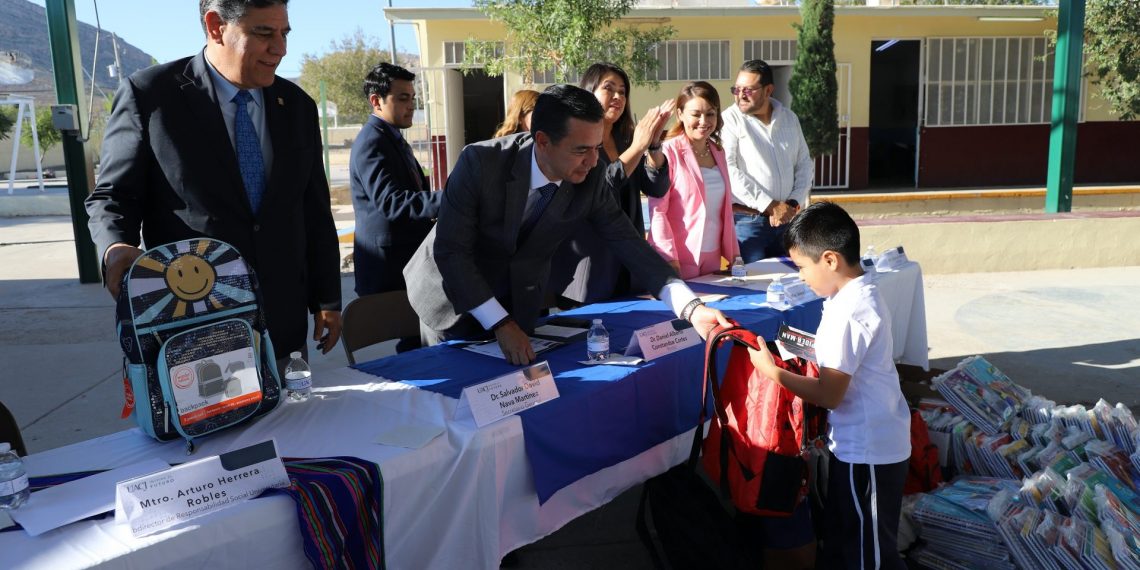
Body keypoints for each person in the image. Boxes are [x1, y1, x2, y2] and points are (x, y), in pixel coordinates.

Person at [85, 0, 342, 360]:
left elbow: (314, 210)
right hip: (195, 328)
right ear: (216, 26)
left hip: (283, 327)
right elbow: (114, 196)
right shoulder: (152, 97)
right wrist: (116, 247)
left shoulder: (297, 106)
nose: (280, 49)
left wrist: (327, 297)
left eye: (284, 34)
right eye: (264, 33)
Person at [403, 84, 730, 365]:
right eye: (581, 150)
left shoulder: (590, 179)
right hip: (452, 302)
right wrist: (500, 323)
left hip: (515, 305)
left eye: (598, 148)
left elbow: (631, 246)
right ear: (542, 141)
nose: (593, 161)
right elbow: (452, 252)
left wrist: (692, 309)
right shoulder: (480, 162)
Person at [747, 201, 911, 570]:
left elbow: (830, 394)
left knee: (869, 555)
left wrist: (772, 371)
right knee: (847, 543)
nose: (801, 277)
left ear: (831, 260)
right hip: (866, 445)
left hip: (866, 452)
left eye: (803, 267)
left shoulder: (849, 312)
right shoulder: (855, 294)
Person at [549, 62, 675, 306]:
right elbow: (600, 188)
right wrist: (638, 147)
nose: (618, 97)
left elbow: (656, 188)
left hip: (628, 265)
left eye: (623, 91)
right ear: (589, 91)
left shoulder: (627, 138)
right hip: (588, 268)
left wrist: (654, 145)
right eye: (609, 88)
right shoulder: (574, 140)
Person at [350, 62, 440, 298]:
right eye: (402, 98)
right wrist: (449, 198)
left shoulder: (392, 137)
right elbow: (392, 202)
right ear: (376, 101)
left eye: (412, 98)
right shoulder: (372, 142)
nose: (411, 106)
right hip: (388, 266)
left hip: (408, 260)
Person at [722, 59, 814, 262]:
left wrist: (792, 204)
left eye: (748, 90)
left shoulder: (789, 119)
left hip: (788, 222)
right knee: (753, 285)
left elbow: (804, 164)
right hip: (748, 224)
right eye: (736, 89)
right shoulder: (729, 120)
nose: (740, 96)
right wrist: (771, 206)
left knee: (790, 282)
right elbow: (728, 170)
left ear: (768, 90)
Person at [647, 81, 739, 279]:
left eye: (711, 113)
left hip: (712, 257)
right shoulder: (668, 151)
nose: (704, 121)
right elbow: (658, 210)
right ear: (680, 114)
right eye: (696, 114)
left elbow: (726, 210)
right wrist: (669, 259)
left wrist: (734, 255)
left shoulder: (718, 151)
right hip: (679, 259)